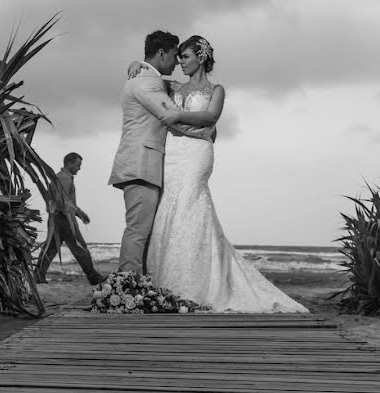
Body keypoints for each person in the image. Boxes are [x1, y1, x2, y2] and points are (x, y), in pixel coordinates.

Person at [127, 36, 308, 313]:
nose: (179, 62)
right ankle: (167, 281)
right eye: (178, 57)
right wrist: (134, 64)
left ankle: (196, 284)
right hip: (173, 154)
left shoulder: (217, 89)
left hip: (198, 155)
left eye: (185, 57)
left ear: (200, 57)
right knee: (168, 209)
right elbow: (147, 74)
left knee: (190, 202)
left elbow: (211, 118)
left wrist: (178, 118)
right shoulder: (172, 86)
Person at [108, 30, 213, 276]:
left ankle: (139, 284)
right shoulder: (147, 82)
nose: (177, 61)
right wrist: (207, 132)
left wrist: (137, 63)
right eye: (175, 55)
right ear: (162, 53)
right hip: (141, 164)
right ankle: (128, 286)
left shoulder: (146, 77)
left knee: (144, 230)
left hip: (142, 163)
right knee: (138, 230)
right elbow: (172, 117)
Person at [35, 152, 105, 285]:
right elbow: (62, 202)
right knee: (80, 247)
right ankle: (94, 277)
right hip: (63, 219)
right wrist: (73, 215)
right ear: (69, 163)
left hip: (56, 218)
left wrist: (79, 213)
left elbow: (64, 201)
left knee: (50, 248)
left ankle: (38, 276)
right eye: (78, 165)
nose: (79, 168)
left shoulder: (61, 177)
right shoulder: (65, 179)